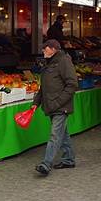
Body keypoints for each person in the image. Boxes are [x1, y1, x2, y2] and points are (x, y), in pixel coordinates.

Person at [32, 39, 77, 175]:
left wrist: (58, 102)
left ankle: (46, 164)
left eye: (45, 48)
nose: (43, 51)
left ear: (53, 49)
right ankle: (69, 159)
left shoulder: (64, 61)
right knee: (62, 134)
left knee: (55, 135)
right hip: (52, 105)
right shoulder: (49, 63)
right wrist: (35, 103)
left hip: (59, 106)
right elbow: (43, 88)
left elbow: (72, 84)